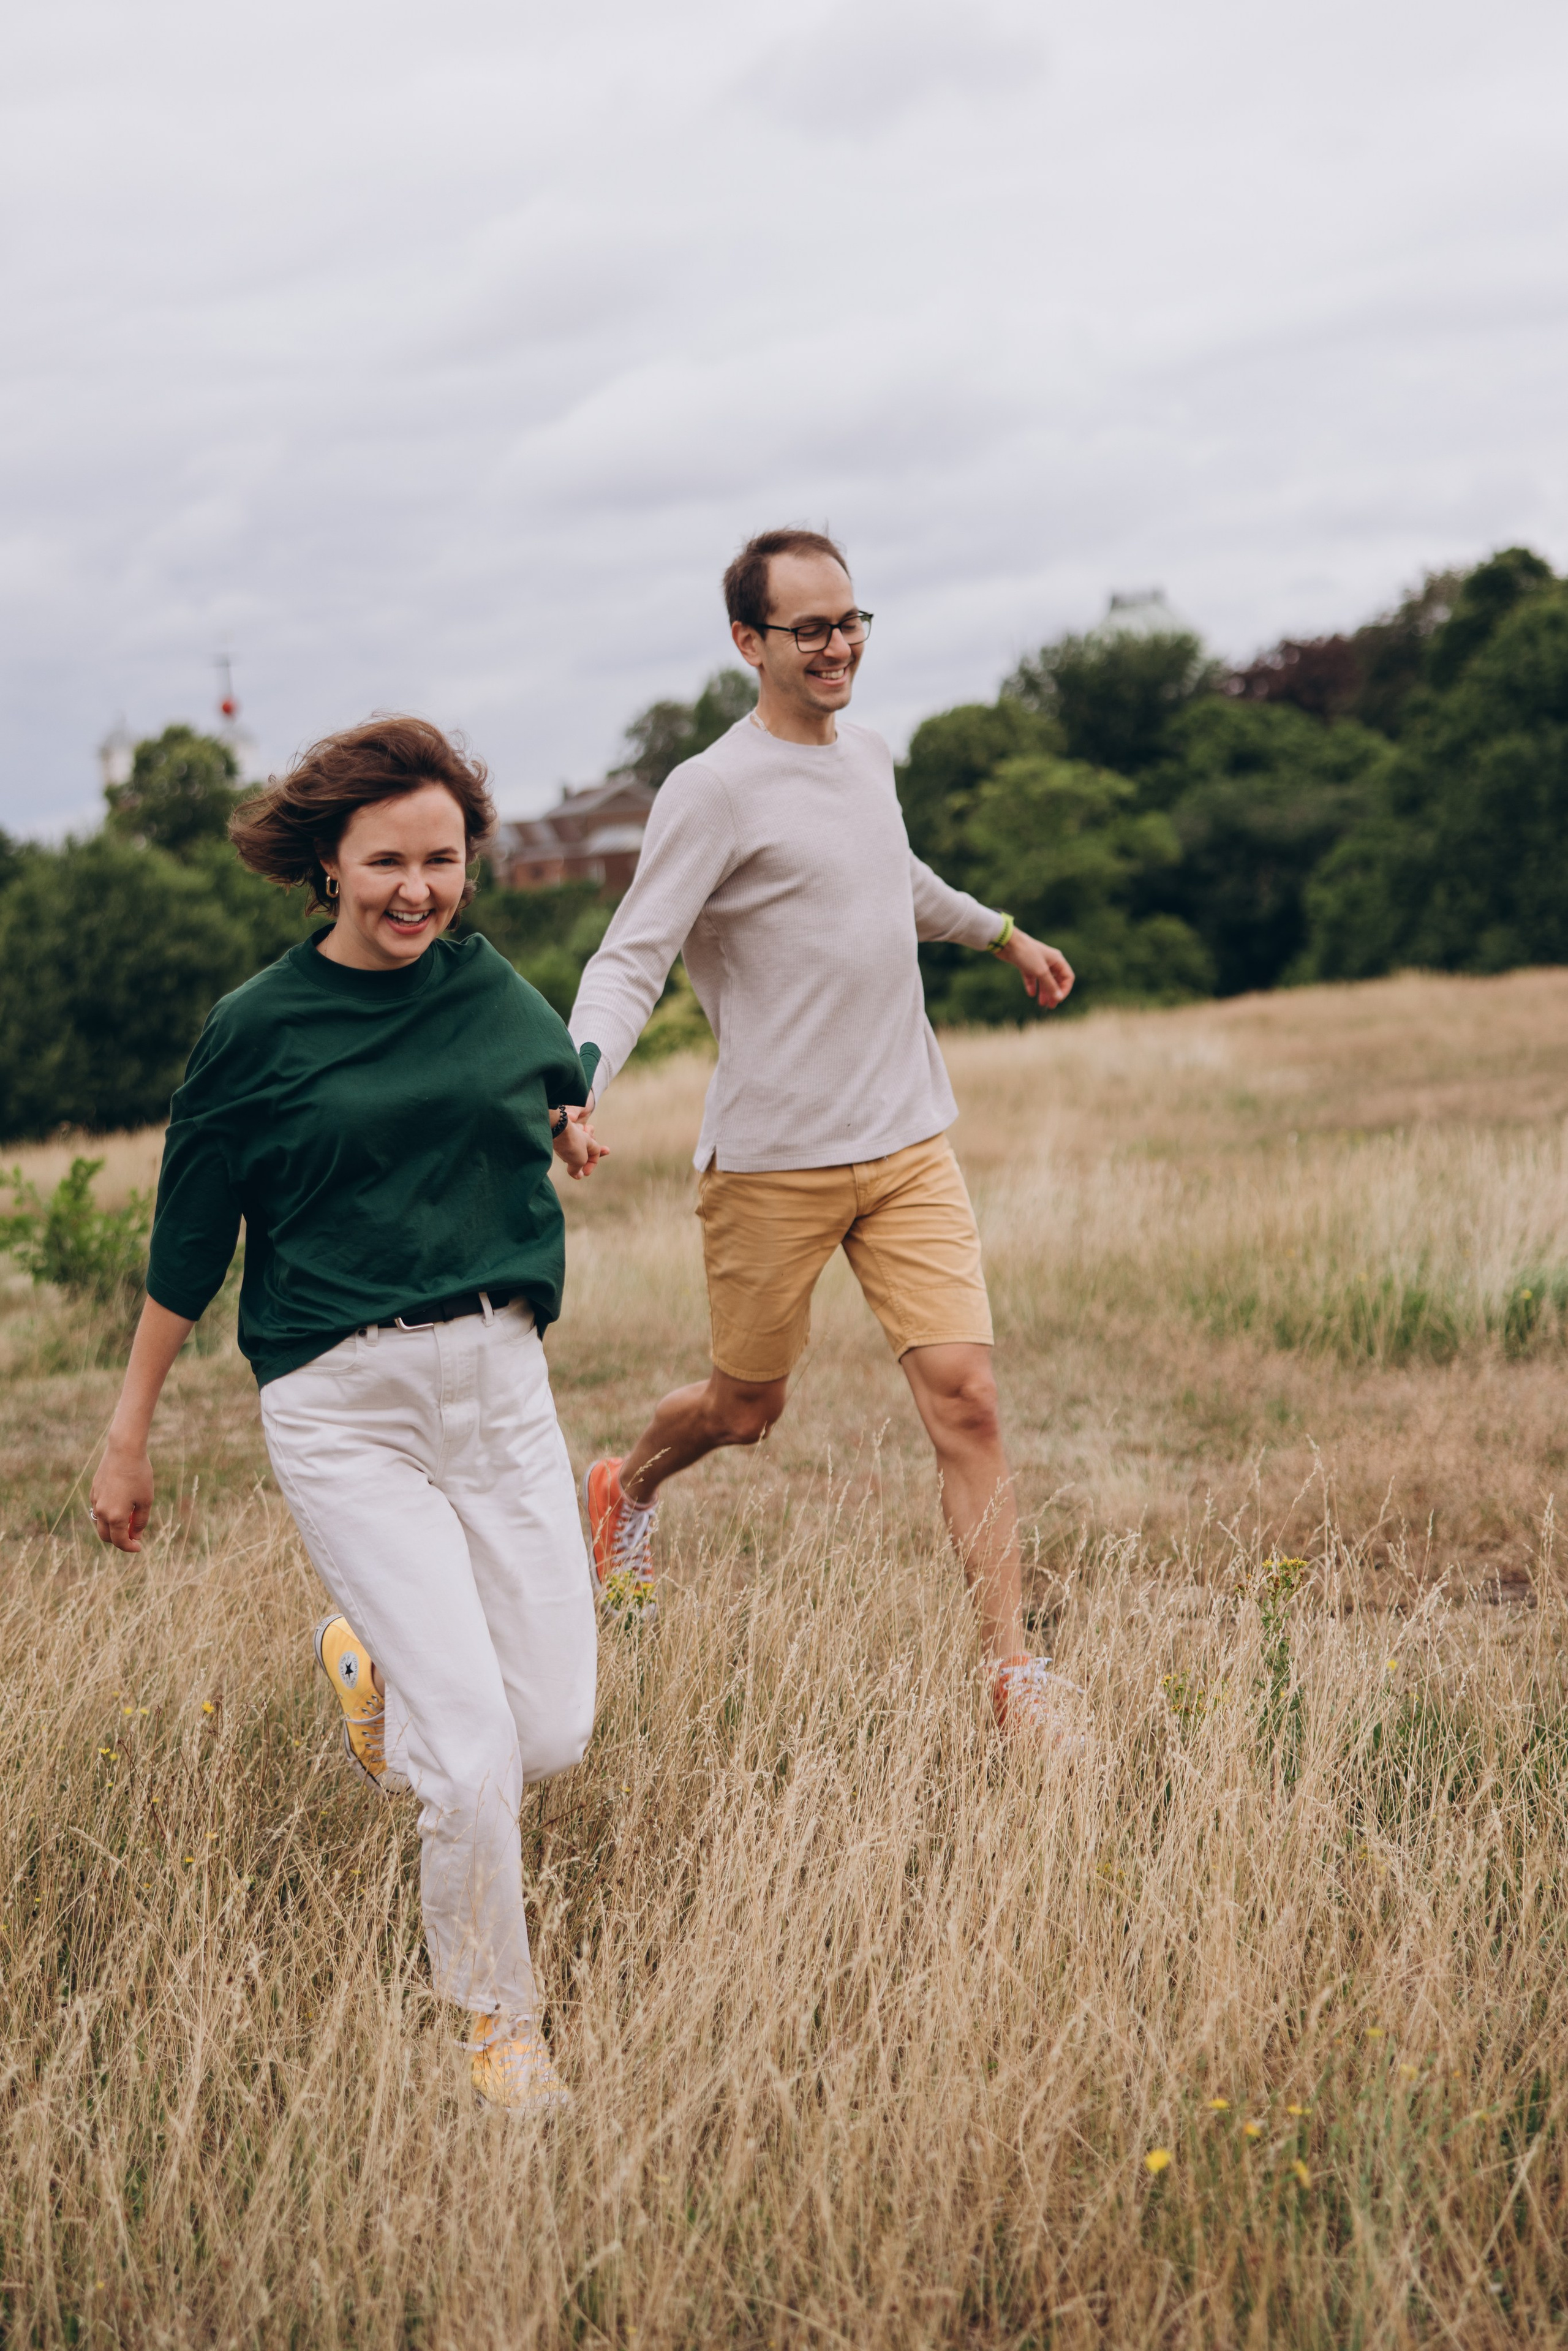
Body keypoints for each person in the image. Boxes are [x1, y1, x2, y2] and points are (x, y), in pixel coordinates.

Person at [88, 716, 607, 2112]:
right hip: (344, 1400)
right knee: (478, 1759)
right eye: (387, 861)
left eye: (441, 861)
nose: (417, 890)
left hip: (499, 1383)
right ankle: (497, 2027)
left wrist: (564, 1118)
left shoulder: (487, 982)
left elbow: (545, 1067)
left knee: (552, 1728)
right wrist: (130, 1426)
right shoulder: (256, 1030)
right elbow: (192, 1238)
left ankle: (368, 1682)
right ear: (329, 862)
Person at [571, 527, 1081, 1740]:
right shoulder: (711, 788)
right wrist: (576, 1076)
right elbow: (634, 949)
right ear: (748, 642)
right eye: (808, 628)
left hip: (907, 1139)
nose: (837, 645)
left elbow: (889, 878)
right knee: (747, 1408)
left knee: (967, 1395)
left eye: (849, 620)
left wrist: (1000, 931)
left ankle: (1009, 1674)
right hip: (772, 1161)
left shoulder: (869, 758)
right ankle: (624, 1486)